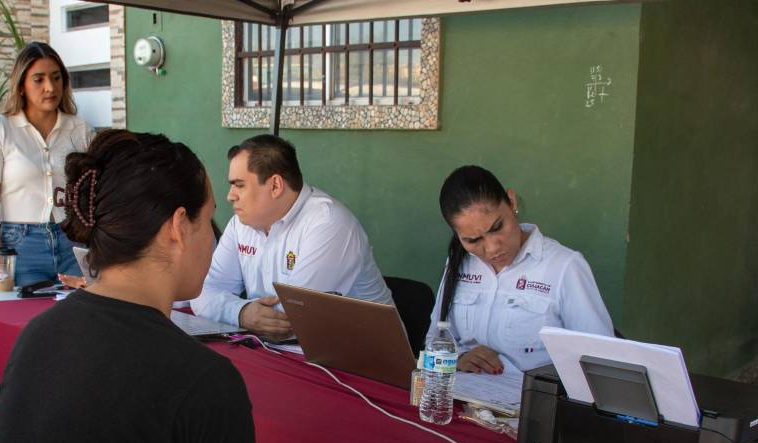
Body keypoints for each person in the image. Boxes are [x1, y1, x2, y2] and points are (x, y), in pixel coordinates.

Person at [0, 129, 358, 443]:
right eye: (210, 221)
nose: (217, 238)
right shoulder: (201, 380)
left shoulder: (38, 333)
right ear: (178, 228)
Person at [191, 134, 393, 338]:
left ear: (275, 186)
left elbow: (290, 319)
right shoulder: (241, 224)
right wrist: (242, 312)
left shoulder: (328, 223)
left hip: (362, 353)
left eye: (239, 185)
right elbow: (201, 293)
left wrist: (233, 310)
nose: (230, 195)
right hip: (281, 347)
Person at [429, 165, 613, 374]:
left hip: (534, 393)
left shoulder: (564, 266)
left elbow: (601, 361)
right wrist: (458, 359)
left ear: (512, 201)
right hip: (466, 390)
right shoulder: (458, 262)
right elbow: (434, 342)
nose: (492, 248)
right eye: (473, 240)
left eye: (497, 227)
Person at [0, 41, 91, 287]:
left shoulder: (80, 130)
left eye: (56, 78)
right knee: (24, 311)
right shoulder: (0, 128)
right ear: (22, 86)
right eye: (39, 79)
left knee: (80, 311)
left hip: (73, 242)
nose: (50, 87)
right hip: (21, 247)